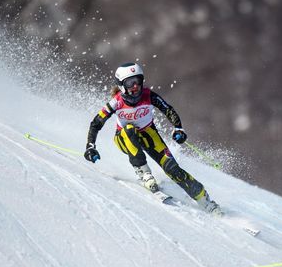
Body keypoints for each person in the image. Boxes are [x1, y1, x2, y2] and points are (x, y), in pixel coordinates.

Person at [84, 62, 221, 214]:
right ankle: (143, 172)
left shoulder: (148, 95)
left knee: (172, 169)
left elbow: (168, 110)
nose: (135, 86)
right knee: (129, 129)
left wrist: (178, 128)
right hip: (124, 139)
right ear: (121, 85)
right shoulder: (116, 102)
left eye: (138, 81)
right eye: (130, 83)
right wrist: (90, 145)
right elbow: (96, 123)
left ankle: (205, 200)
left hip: (148, 134)